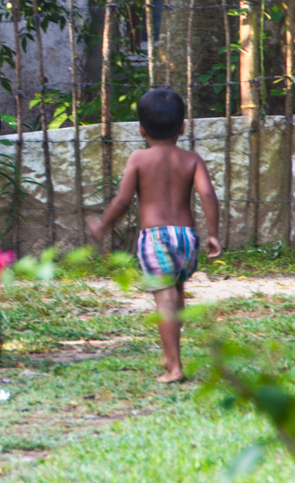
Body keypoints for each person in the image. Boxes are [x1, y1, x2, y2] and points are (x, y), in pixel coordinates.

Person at [88, 88, 221, 383]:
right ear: (183, 127)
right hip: (186, 239)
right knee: (176, 292)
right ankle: (170, 350)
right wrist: (213, 234)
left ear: (141, 129)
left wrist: (102, 224)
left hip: (155, 239)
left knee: (164, 300)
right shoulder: (192, 158)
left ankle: (174, 366)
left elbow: (122, 202)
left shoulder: (138, 159)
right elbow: (208, 195)